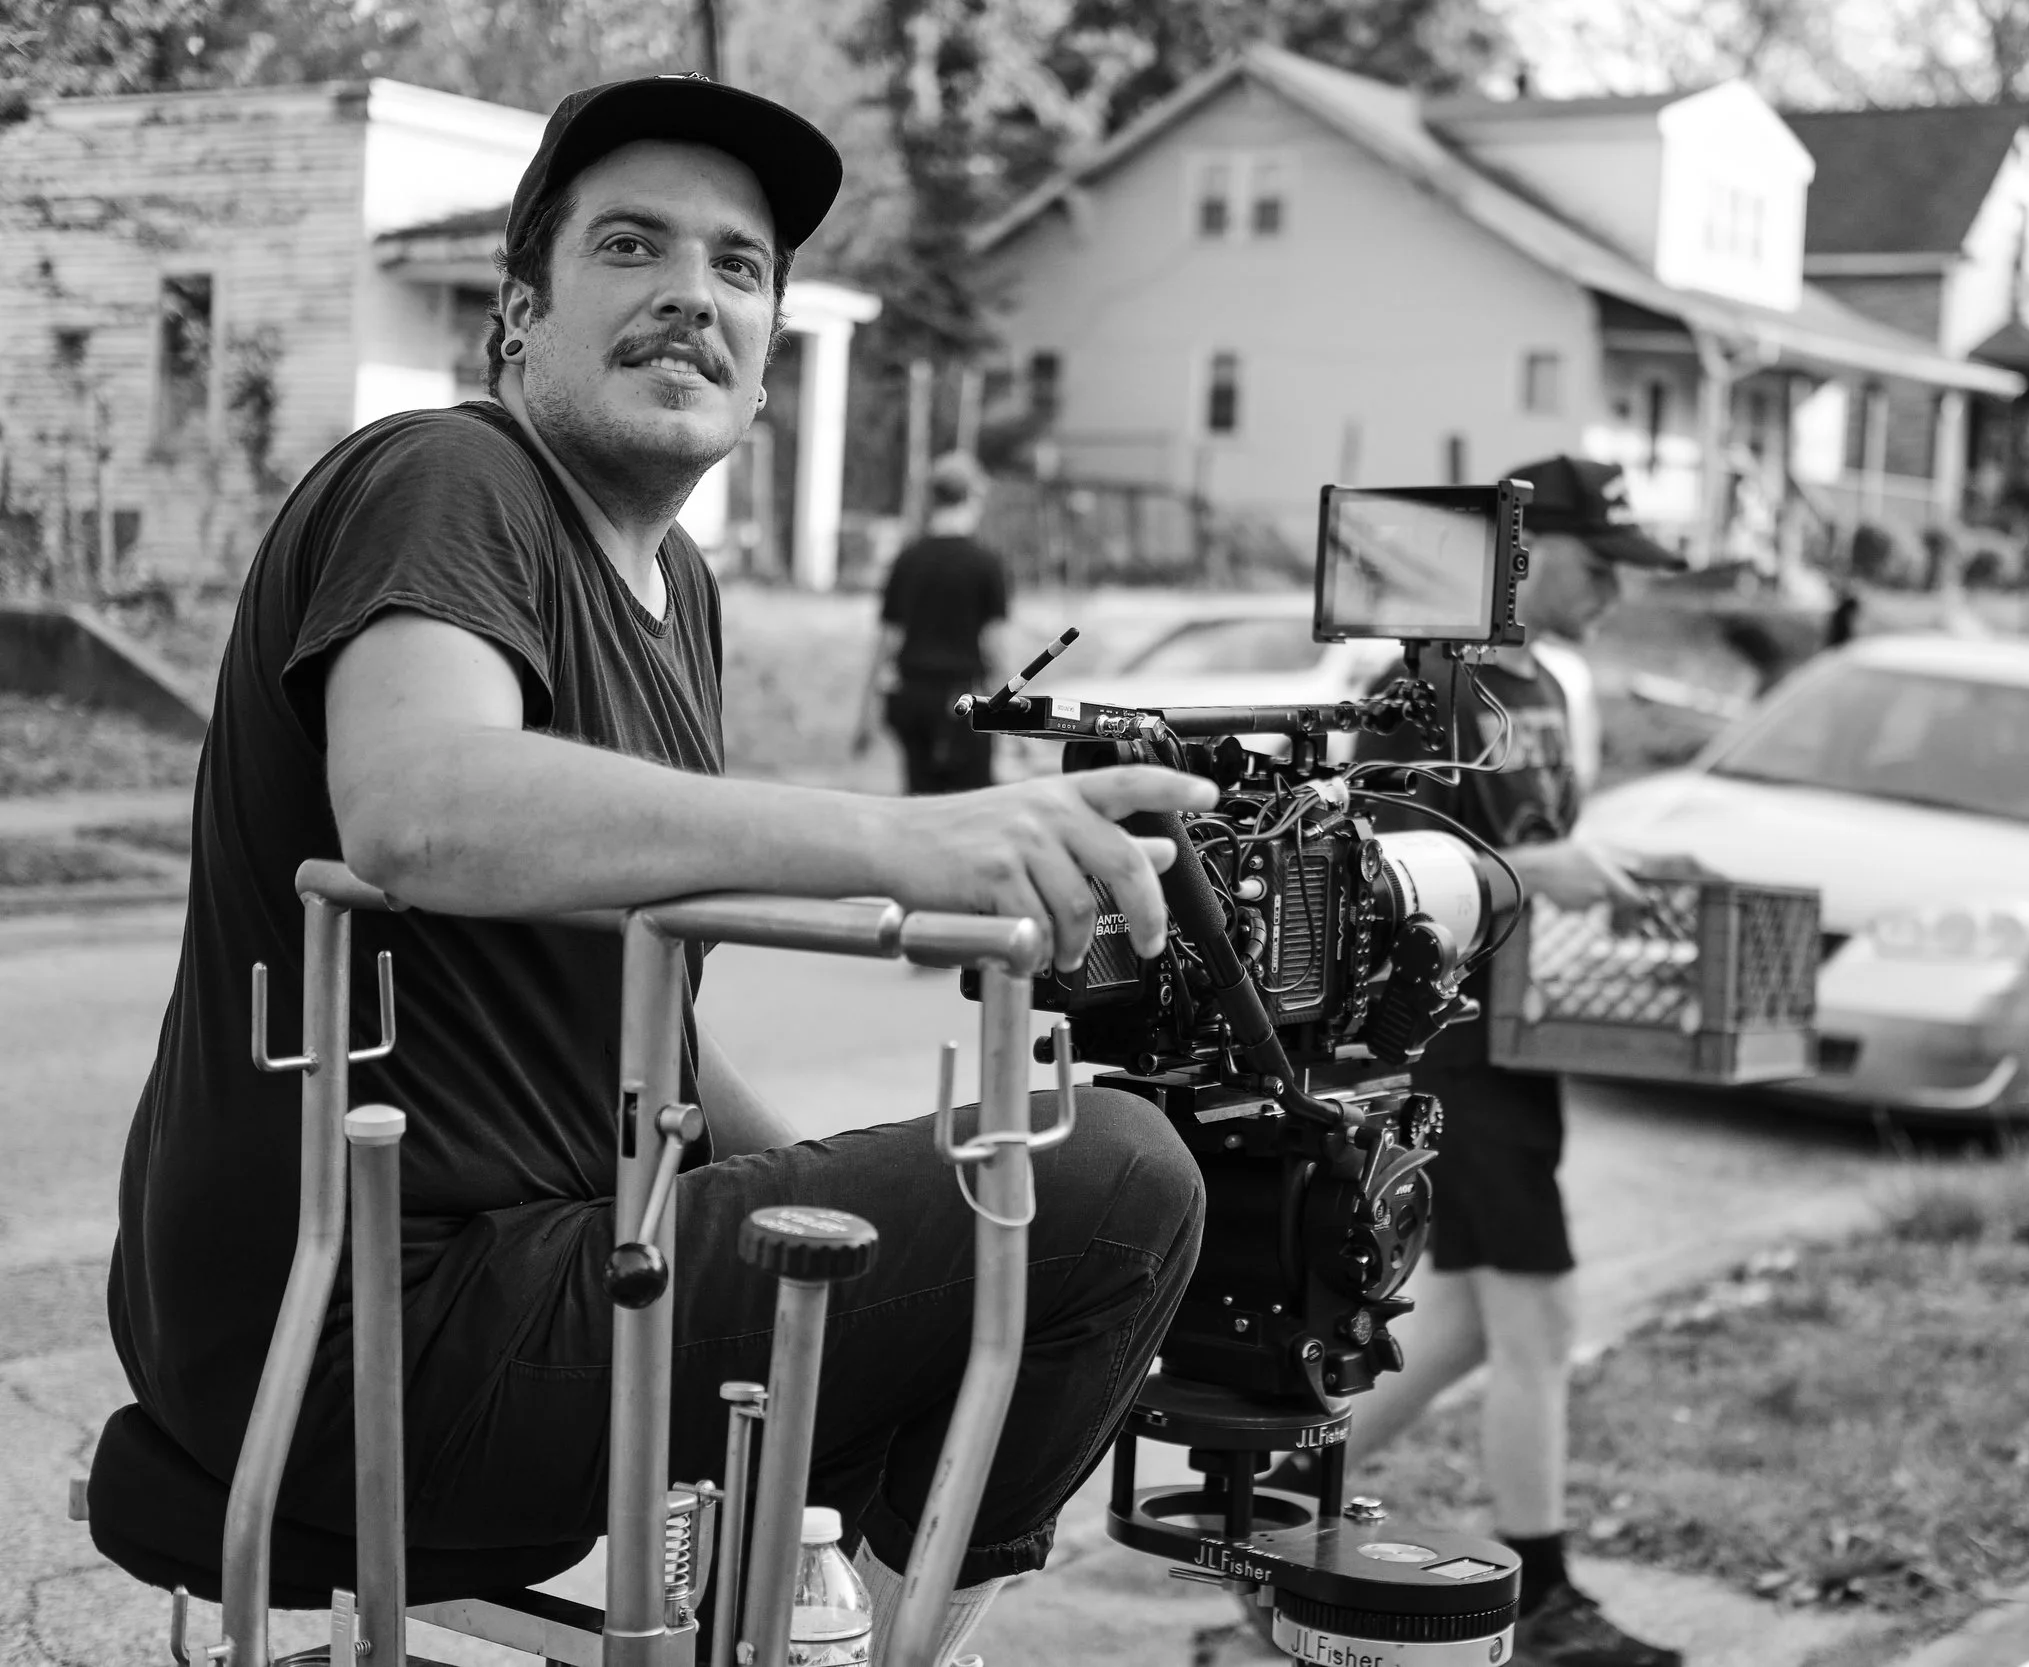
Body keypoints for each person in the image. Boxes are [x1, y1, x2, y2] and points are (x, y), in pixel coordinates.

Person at [106, 76, 1210, 1667]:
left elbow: (628, 1005)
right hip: (362, 1310)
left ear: (764, 365)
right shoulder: (450, 477)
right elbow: (424, 805)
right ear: (521, 316)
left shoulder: (673, 589)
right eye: (633, 246)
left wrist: (836, 1167)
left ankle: (819, 1614)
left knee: (1021, 1179)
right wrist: (902, 834)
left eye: (741, 267)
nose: (695, 291)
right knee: (1116, 1176)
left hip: (519, 1274)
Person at [1300, 456, 1690, 1667]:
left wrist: (1624, 878)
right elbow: (1384, 878)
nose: (1615, 591)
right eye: (1600, 564)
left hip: (1522, 1037)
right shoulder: (1421, 684)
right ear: (1522, 554)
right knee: (1539, 1315)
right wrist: (1540, 876)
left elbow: (1535, 846)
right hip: (1450, 1042)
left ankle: (1280, 1510)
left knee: (1470, 1322)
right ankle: (1549, 1596)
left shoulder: (1552, 687)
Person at [857, 453, 1013, 791]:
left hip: (911, 699)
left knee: (921, 798)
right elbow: (993, 645)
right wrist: (1014, 716)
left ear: (933, 498)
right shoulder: (985, 563)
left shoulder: (908, 558)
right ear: (973, 497)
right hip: (964, 700)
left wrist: (865, 714)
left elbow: (888, 639)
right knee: (971, 801)